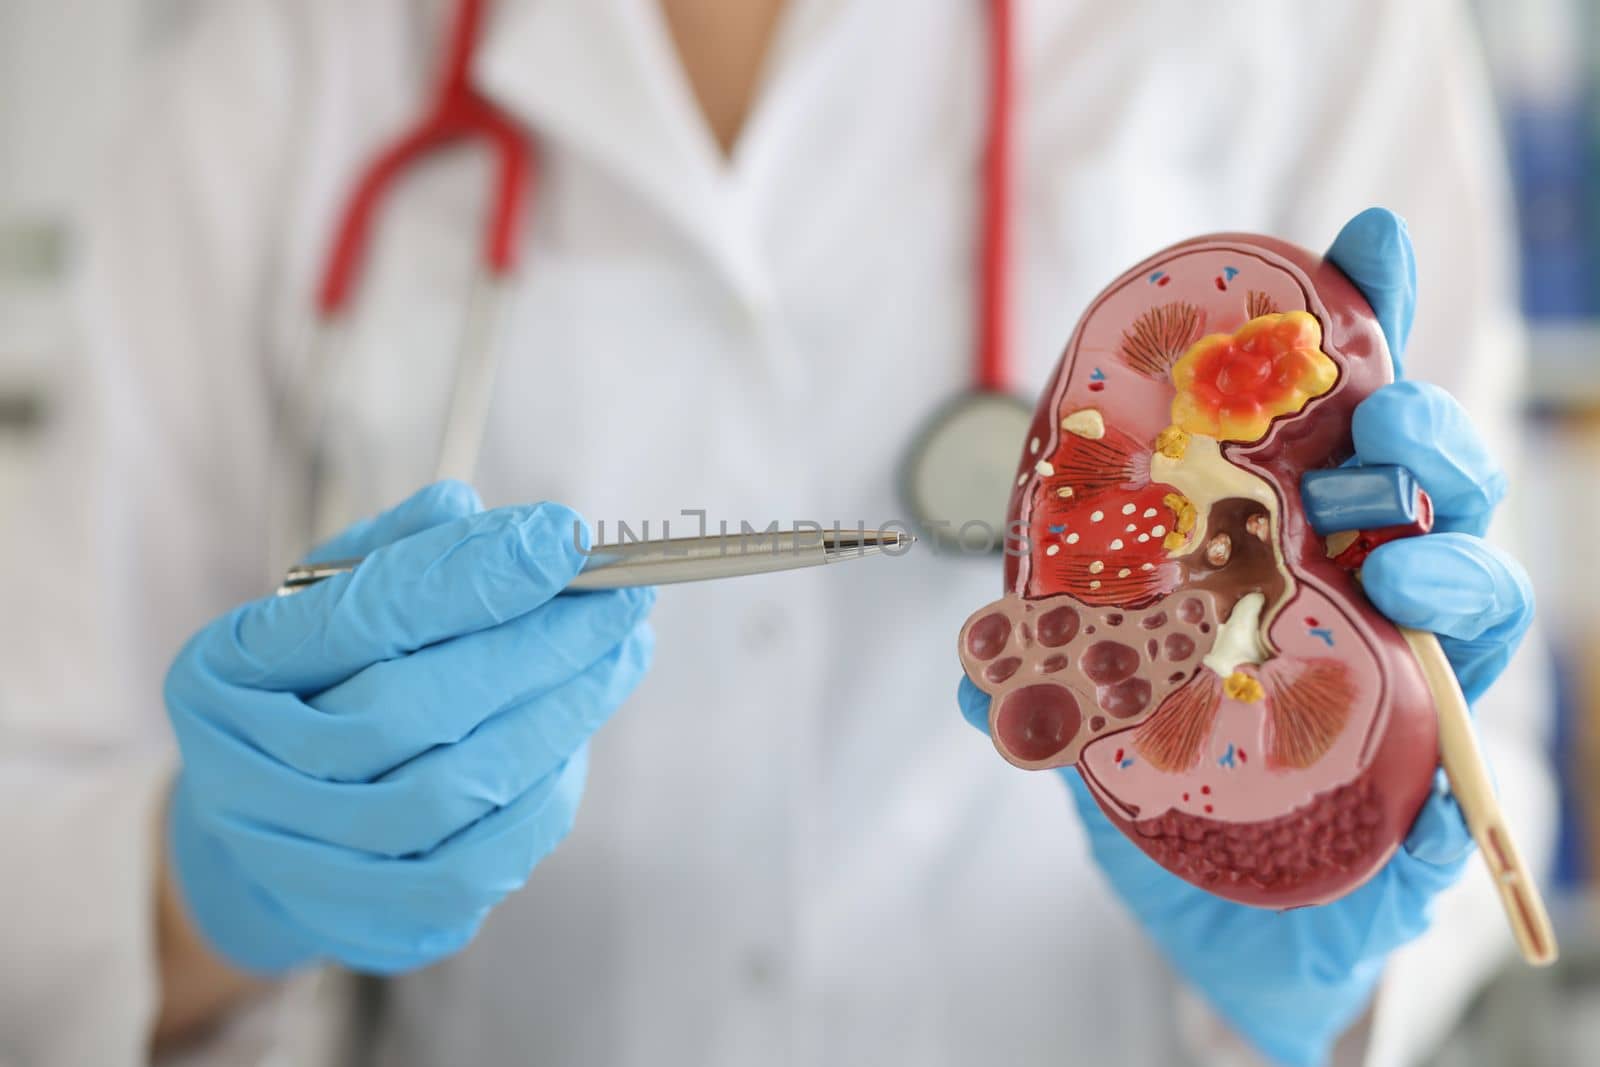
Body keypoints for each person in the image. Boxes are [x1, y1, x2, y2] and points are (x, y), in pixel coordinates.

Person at [0, 1, 1554, 1065]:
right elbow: (32, 817)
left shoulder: (1314, 30)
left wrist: (1322, 966)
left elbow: (1493, 780)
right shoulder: (283, 67)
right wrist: (209, 883)